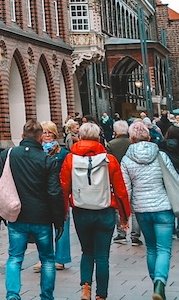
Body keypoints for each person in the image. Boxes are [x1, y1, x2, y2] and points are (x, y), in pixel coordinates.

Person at [0, 119, 64, 300]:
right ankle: (46, 296)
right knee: (47, 259)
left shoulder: (9, 154)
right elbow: (54, 192)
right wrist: (59, 220)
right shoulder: (47, 160)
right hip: (42, 217)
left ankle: (13, 295)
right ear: (41, 139)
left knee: (15, 257)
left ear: (22, 136)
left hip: (17, 215)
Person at [60, 122, 131, 300]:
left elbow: (63, 187)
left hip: (81, 210)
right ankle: (101, 295)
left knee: (87, 251)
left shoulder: (70, 159)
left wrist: (63, 211)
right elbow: (121, 190)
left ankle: (85, 287)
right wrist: (124, 216)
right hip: (105, 210)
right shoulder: (110, 160)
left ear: (81, 137)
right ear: (99, 137)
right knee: (102, 255)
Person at [120, 120, 176, 300]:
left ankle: (156, 285)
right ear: (149, 137)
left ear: (131, 139)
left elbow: (125, 189)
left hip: (142, 210)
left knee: (151, 248)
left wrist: (125, 215)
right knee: (164, 249)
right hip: (163, 207)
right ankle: (160, 282)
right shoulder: (161, 156)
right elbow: (173, 179)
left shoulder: (127, 160)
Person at [36, 122, 71, 272]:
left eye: (50, 132)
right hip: (41, 194)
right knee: (43, 228)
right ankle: (44, 258)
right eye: (44, 132)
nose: (47, 135)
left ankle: (61, 258)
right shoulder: (37, 152)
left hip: (59, 194)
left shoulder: (63, 153)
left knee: (61, 226)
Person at [104, 119, 133, 243]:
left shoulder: (111, 144)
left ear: (115, 132)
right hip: (133, 174)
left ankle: (121, 232)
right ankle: (135, 234)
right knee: (134, 203)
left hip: (117, 175)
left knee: (118, 204)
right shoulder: (132, 143)